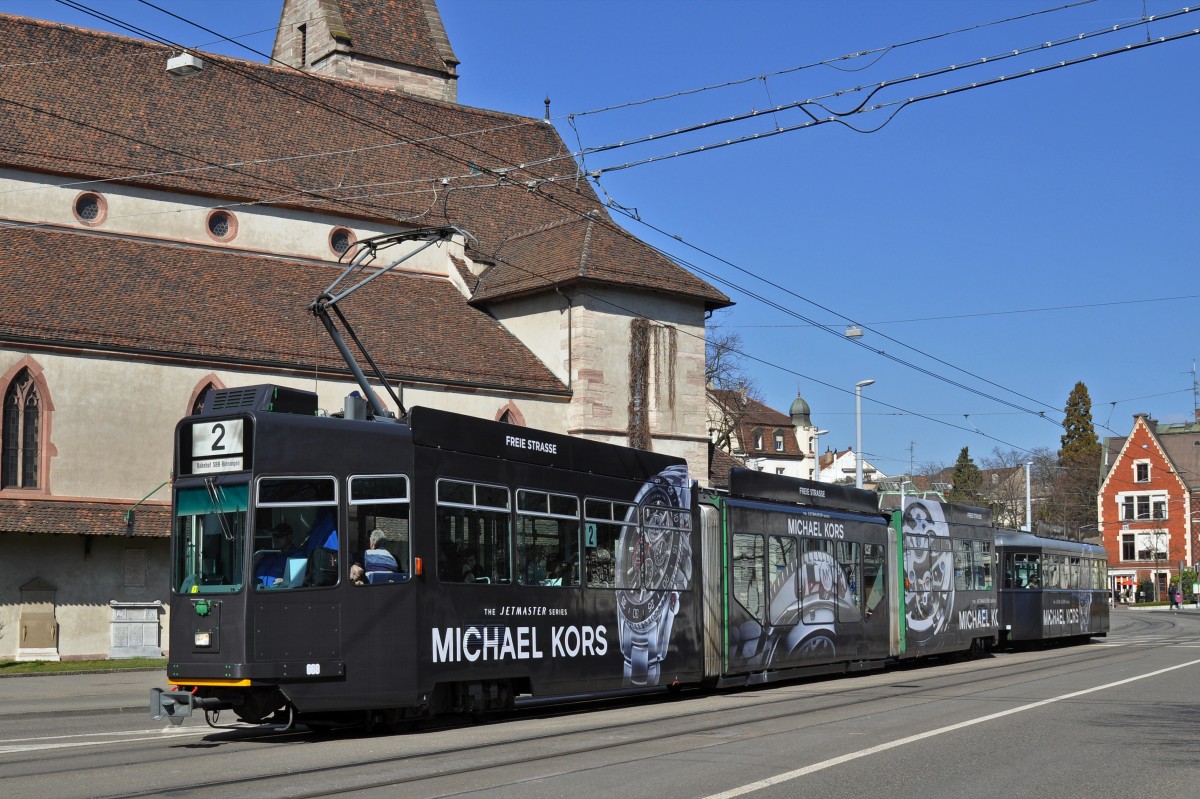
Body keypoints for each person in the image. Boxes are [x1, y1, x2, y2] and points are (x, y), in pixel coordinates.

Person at [255, 522, 295, 587]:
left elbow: (298, 580)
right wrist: (254, 562)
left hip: (277, 591)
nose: (275, 539)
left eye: (279, 536)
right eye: (274, 536)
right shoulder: (268, 554)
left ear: (289, 537)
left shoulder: (296, 556)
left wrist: (285, 581)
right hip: (256, 589)